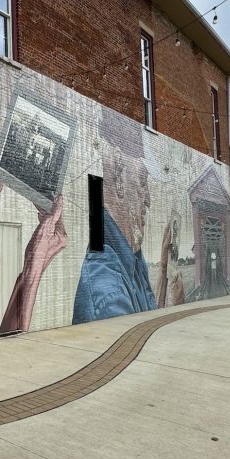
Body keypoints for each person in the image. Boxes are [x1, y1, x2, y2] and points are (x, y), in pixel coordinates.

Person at [72, 107, 182, 324]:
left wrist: (162, 268)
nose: (148, 200)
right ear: (120, 179)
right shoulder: (108, 294)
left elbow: (145, 316)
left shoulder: (130, 259)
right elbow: (136, 349)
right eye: (143, 181)